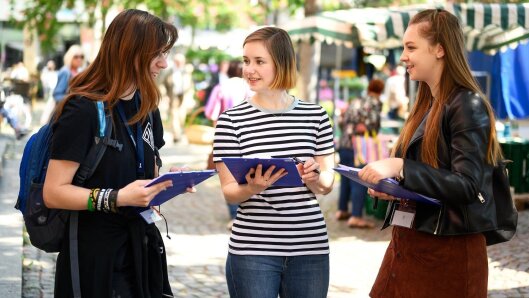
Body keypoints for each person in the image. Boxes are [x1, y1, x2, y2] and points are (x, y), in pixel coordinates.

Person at [357, 9, 503, 297]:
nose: (402, 56)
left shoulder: (467, 104)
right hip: (409, 247)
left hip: (447, 254)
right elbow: (431, 176)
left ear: (439, 49)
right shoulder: (426, 103)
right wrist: (395, 189)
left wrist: (401, 167)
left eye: (411, 47)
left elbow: (468, 186)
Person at [42, 9, 181, 297]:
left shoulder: (147, 106)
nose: (164, 64)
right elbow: (54, 192)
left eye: (166, 53)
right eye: (157, 54)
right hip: (94, 260)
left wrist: (168, 183)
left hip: (141, 253)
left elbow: (145, 178)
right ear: (130, 52)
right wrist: (116, 198)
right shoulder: (83, 109)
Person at [213, 27, 335, 298]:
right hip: (253, 251)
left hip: (310, 248)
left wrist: (316, 178)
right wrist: (253, 187)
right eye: (246, 61)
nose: (249, 70)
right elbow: (230, 193)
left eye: (259, 61)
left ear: (281, 63)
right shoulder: (231, 121)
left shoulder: (315, 116)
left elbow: (328, 184)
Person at [205, 59, 251, 227]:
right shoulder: (249, 88)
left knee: (229, 177)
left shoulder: (222, 87)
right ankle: (246, 211)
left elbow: (211, 113)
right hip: (248, 135)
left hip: (225, 136)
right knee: (246, 174)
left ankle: (234, 216)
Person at [336, 79, 384, 228]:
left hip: (344, 144)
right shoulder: (374, 102)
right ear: (380, 90)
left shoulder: (356, 100)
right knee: (359, 180)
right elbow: (373, 124)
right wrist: (369, 128)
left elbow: (342, 122)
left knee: (345, 179)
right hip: (359, 147)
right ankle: (356, 216)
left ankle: (342, 210)